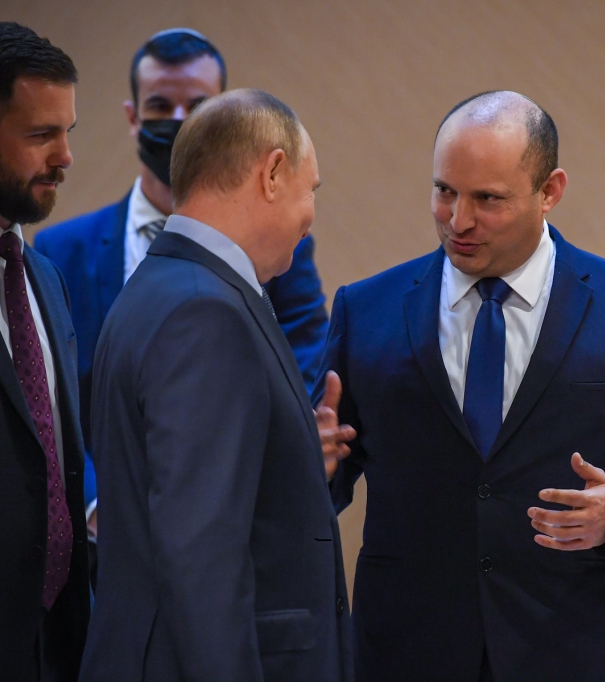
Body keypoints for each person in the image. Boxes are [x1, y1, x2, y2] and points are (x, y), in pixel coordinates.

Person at [316, 90, 605, 681]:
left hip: (575, 646)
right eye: (445, 191)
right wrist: (315, 467)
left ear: (550, 191)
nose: (458, 220)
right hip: (408, 649)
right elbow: (325, 482)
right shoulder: (366, 310)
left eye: (487, 199)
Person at [79, 89, 352, 681]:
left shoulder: (163, 285)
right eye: (311, 189)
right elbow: (201, 554)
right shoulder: (205, 311)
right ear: (272, 174)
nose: (310, 214)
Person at [33, 29, 330, 538]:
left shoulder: (282, 245)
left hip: (237, 516)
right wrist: (100, 506)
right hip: (103, 541)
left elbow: (304, 363)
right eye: (159, 105)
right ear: (133, 116)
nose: (178, 121)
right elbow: (51, 397)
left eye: (197, 106)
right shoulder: (62, 250)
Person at [0, 22, 91, 682]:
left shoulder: (45, 278)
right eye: (40, 135)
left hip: (56, 645)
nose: (64, 156)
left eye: (68, 132)